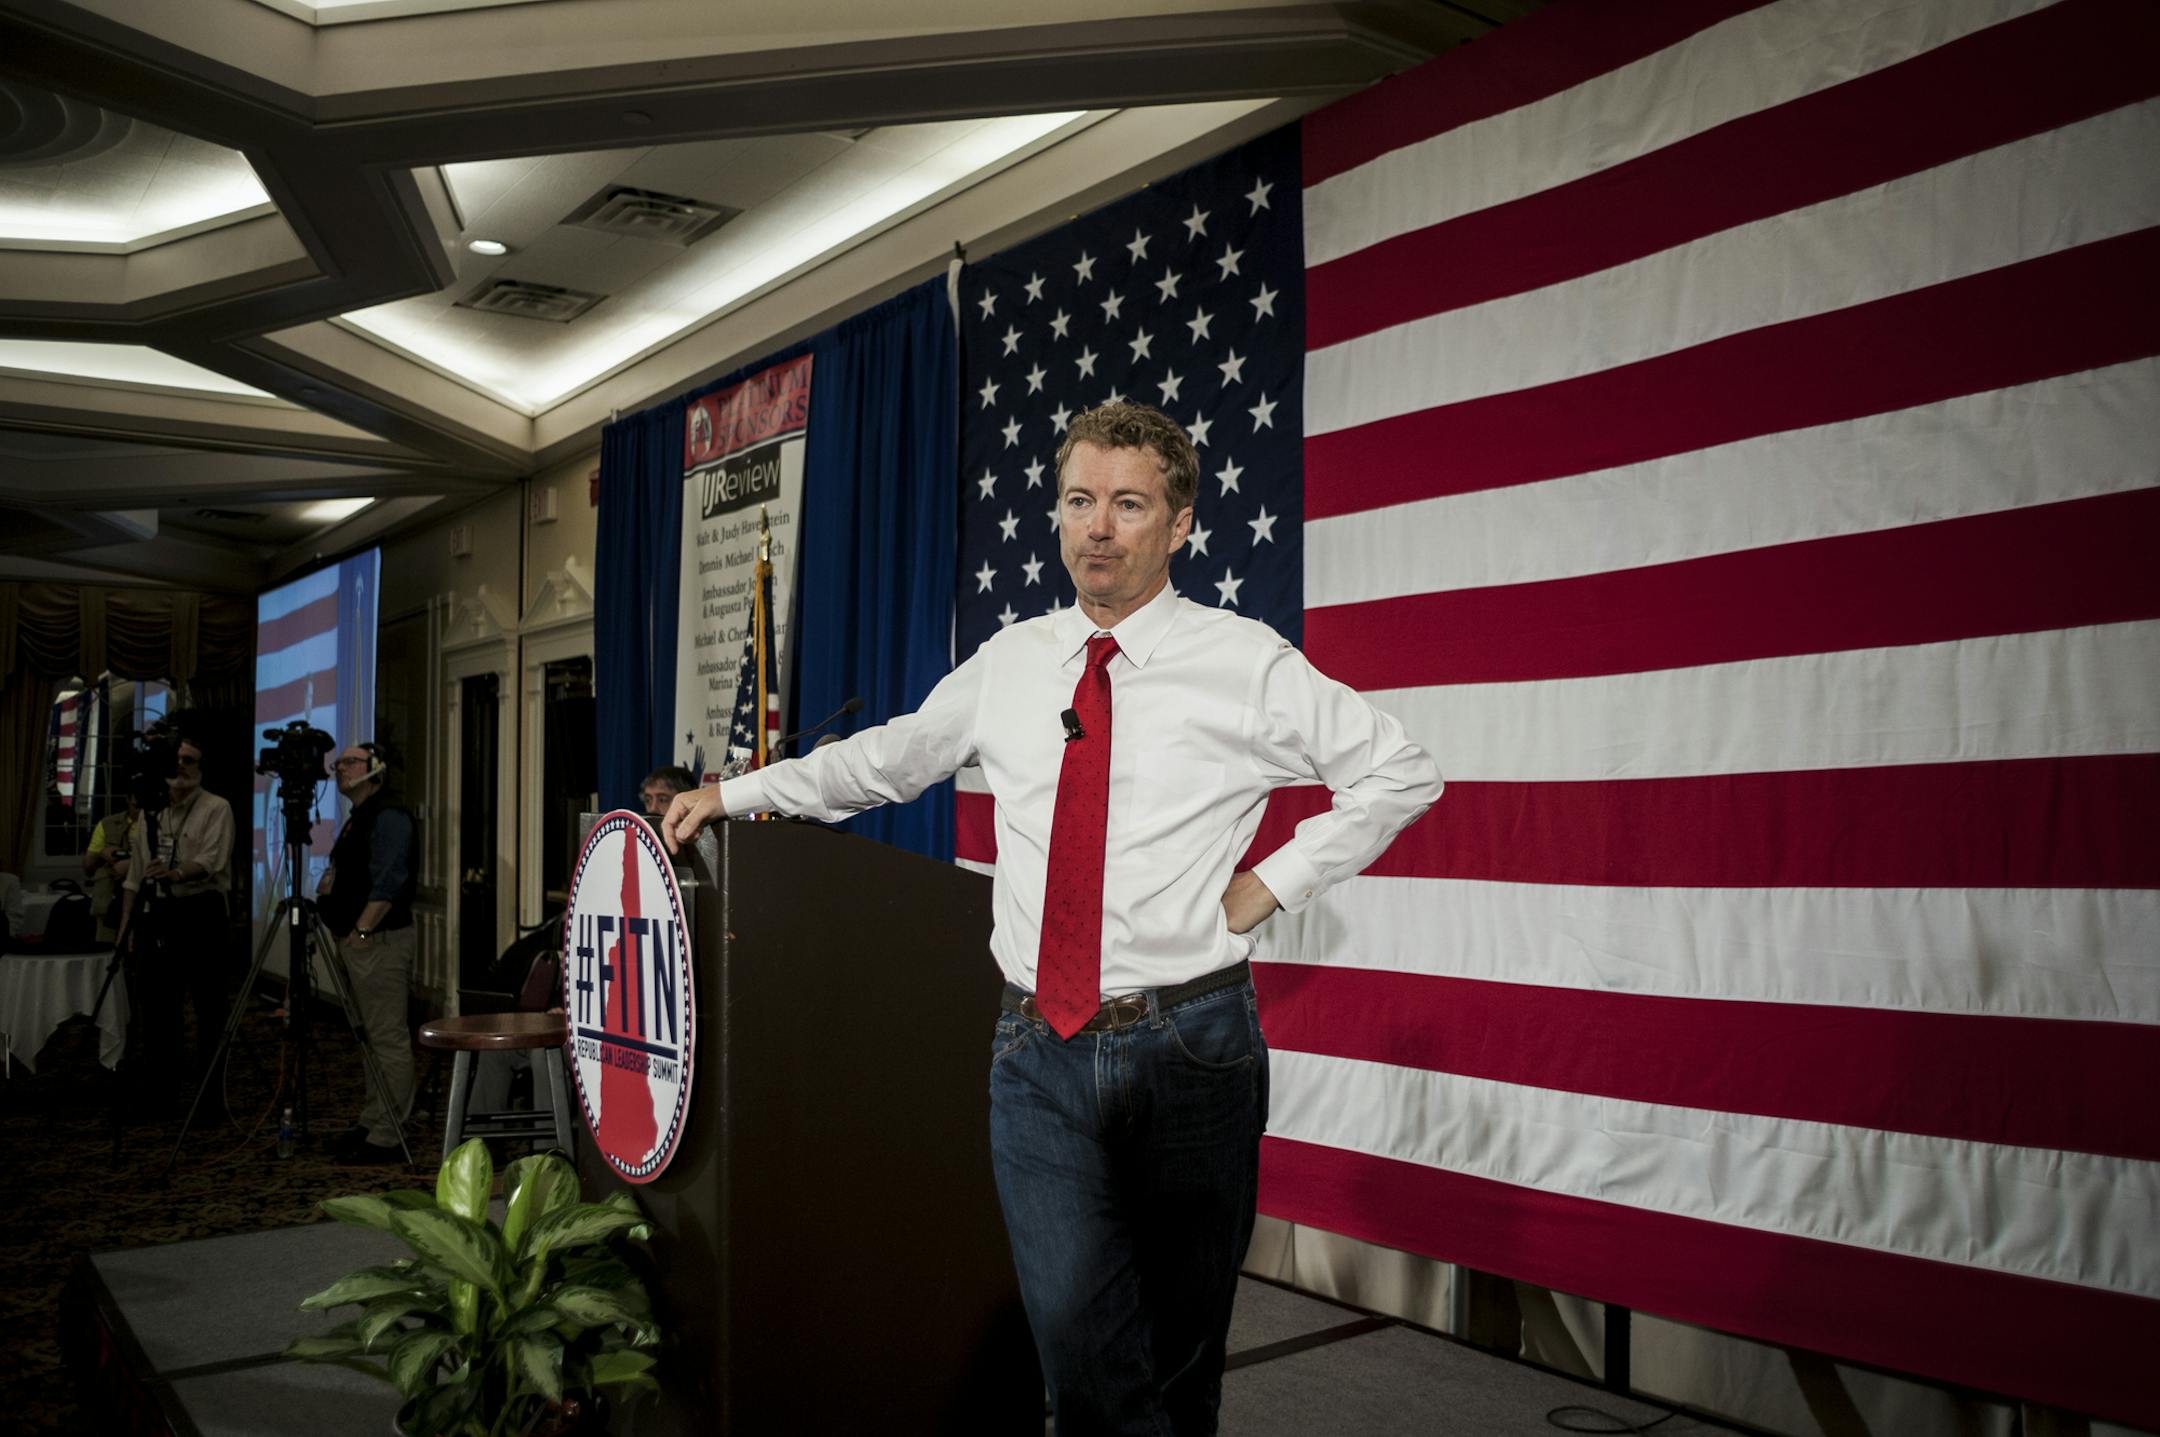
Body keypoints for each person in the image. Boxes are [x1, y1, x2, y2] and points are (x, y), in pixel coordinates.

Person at [664, 401, 1442, 1434]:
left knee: (1178, 1360)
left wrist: (1272, 885)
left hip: (1194, 1044)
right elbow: (890, 759)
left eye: (1128, 504)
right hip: (1037, 1052)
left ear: (1179, 524)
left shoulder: (1246, 663)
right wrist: (741, 793)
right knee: (1075, 1347)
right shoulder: (1014, 661)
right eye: (1081, 501)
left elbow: (1400, 772)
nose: (1099, 528)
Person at [317, 741, 420, 1164]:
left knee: (387, 1037)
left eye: (350, 761)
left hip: (376, 942)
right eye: (339, 762)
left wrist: (361, 930)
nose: (340, 768)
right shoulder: (359, 817)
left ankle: (389, 1135)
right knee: (369, 1039)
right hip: (359, 941)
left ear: (375, 769)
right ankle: (373, 1120)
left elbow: (390, 879)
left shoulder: (390, 815)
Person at [116, 732, 236, 1087]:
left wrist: (176, 873)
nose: (181, 768)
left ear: (201, 767)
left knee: (209, 1007)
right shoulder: (152, 812)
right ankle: (162, 1086)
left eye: (189, 761)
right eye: (176, 760)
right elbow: (134, 876)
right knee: (158, 1006)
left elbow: (211, 860)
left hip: (202, 911)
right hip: (160, 914)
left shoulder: (217, 807)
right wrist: (126, 926)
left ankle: (210, 1092)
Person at [83, 793, 140, 943]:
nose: (140, 811)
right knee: (104, 949)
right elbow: (88, 867)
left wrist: (130, 864)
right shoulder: (107, 824)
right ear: (128, 800)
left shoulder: (160, 823)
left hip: (142, 901)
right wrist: (102, 853)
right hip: (107, 899)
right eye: (136, 806)